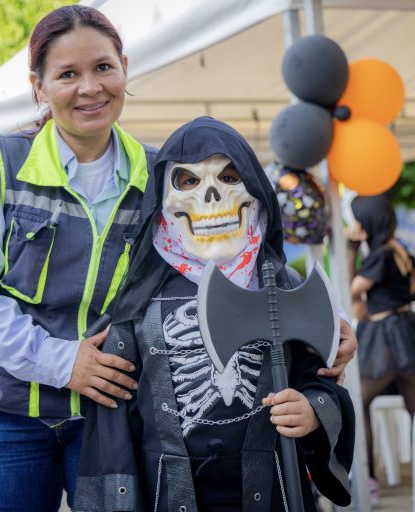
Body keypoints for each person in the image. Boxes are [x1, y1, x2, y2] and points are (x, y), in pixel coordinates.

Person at [0, 8, 357, 511]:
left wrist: (317, 324)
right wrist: (61, 361)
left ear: (124, 69)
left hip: (115, 417)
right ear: (39, 86)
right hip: (12, 409)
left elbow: (222, 268)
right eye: (67, 74)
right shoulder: (1, 163)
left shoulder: (166, 175)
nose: (90, 87)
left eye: (102, 68)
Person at [74, 116, 354, 512]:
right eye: (188, 181)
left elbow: (322, 377)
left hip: (273, 487)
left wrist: (313, 409)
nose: (210, 197)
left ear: (256, 191)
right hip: (168, 493)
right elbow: (112, 416)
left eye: (229, 177)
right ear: (163, 201)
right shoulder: (137, 300)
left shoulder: (283, 285)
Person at [347, 195, 415, 502]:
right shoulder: (395, 248)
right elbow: (413, 284)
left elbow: (352, 288)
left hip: (387, 333)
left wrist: (349, 249)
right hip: (402, 327)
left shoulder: (380, 255)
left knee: (359, 401)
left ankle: (368, 481)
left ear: (366, 222)